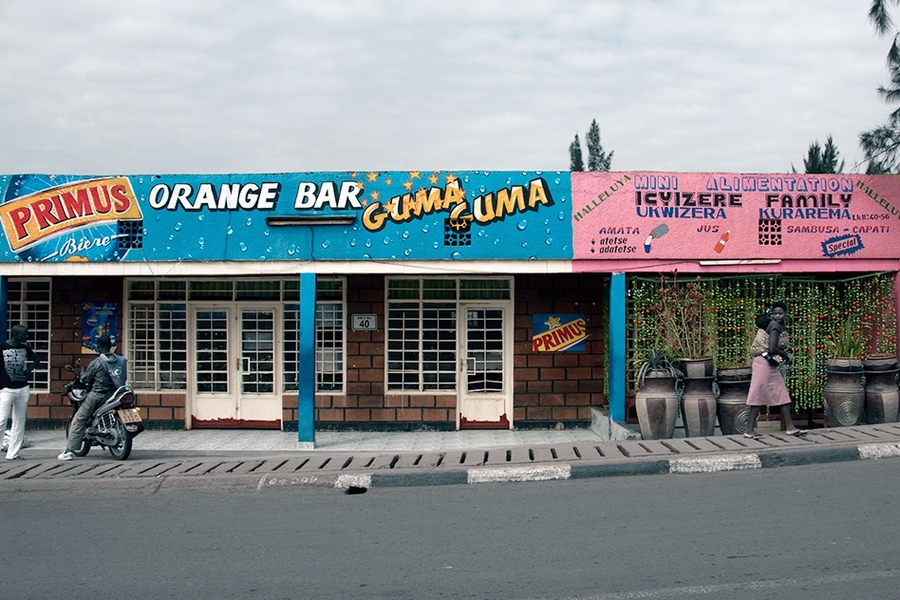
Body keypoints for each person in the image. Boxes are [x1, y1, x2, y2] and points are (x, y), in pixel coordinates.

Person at [58, 334, 127, 461]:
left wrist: (82, 369)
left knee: (80, 419)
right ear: (111, 346)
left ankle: (69, 451)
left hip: (98, 394)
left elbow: (85, 378)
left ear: (99, 347)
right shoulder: (122, 360)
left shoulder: (97, 363)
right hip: (116, 393)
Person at [743, 301, 807, 440]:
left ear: (786, 313)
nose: (777, 316)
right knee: (757, 395)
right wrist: (786, 355)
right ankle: (749, 431)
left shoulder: (778, 325)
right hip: (763, 364)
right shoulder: (774, 326)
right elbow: (772, 349)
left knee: (781, 393)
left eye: (780, 313)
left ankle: (790, 428)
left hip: (769, 365)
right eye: (775, 313)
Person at [0, 324, 41, 460]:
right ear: (17, 335)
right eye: (24, 334)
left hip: (23, 388)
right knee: (2, 420)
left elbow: (37, 358)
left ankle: (13, 454)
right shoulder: (2, 348)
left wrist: (28, 372)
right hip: (6, 389)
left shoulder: (25, 348)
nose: (27, 336)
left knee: (19, 421)